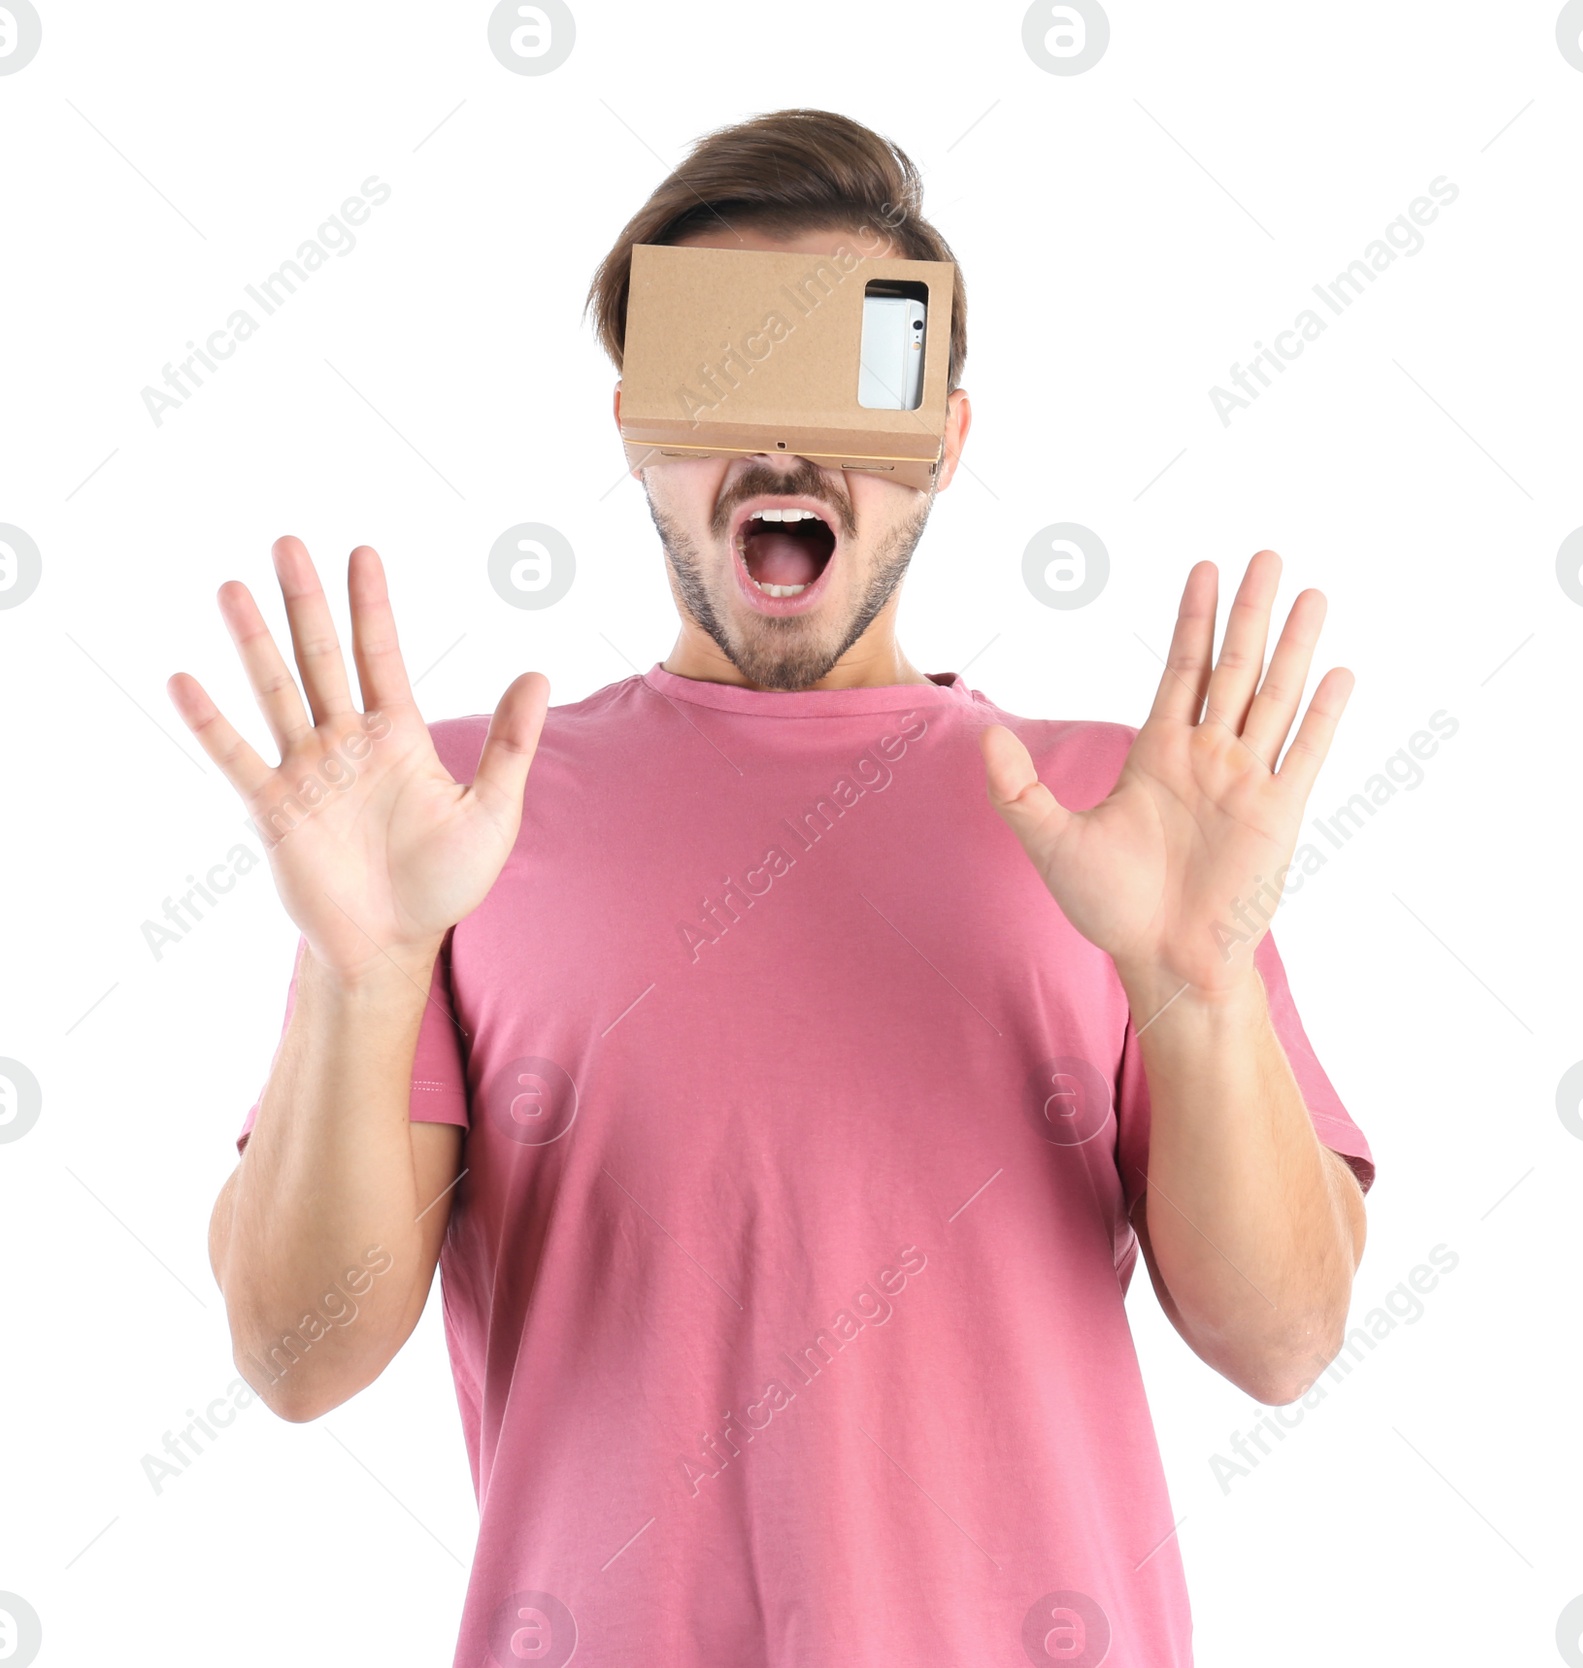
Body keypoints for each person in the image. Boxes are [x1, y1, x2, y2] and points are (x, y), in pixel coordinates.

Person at [170, 108, 1373, 1668]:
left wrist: (1199, 990)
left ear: (943, 439)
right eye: (726, 374)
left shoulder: (1127, 818)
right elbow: (295, 1357)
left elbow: (1283, 1344)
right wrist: (365, 973)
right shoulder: (445, 820)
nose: (786, 445)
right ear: (638, 429)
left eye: (848, 381)